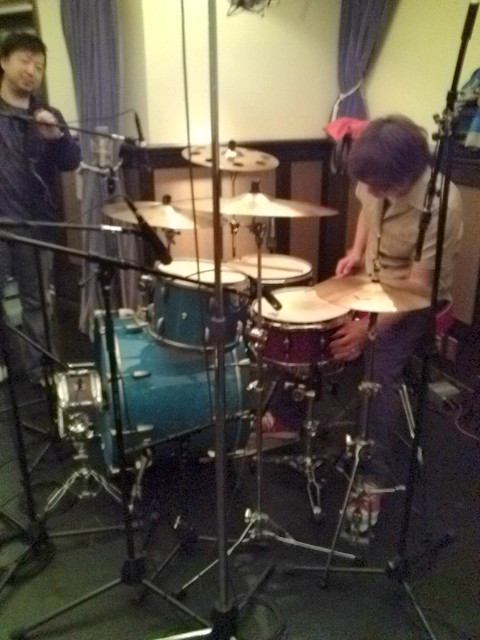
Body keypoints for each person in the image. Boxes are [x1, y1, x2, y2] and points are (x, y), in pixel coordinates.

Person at [329, 115, 463, 543]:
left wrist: (367, 331)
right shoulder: (375, 172)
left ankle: (373, 478)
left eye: (380, 186)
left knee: (378, 368)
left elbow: (418, 288)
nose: (370, 191)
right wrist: (356, 251)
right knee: (313, 317)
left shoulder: (441, 204)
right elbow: (367, 210)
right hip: (374, 282)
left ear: (407, 175)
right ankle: (288, 420)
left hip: (418, 300)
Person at [0, 32, 81, 385]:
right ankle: (11, 362)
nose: (32, 70)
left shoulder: (47, 114)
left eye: (39, 65)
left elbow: (71, 161)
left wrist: (57, 137)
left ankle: (41, 369)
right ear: (4, 61)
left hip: (36, 224)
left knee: (37, 303)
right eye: (24, 60)